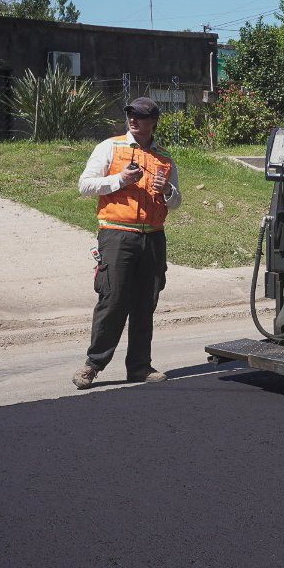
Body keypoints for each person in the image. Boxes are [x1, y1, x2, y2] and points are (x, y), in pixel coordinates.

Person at [72, 96, 182, 389]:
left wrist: (168, 190)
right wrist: (120, 179)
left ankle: (139, 367)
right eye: (130, 114)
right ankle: (93, 365)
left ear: (153, 121)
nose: (133, 119)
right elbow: (85, 185)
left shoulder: (165, 158)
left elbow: (177, 201)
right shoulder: (110, 147)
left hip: (154, 237)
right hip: (117, 233)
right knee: (113, 300)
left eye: (141, 115)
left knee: (146, 304)